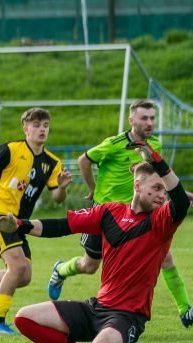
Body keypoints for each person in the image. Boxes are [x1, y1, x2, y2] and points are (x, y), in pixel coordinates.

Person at [0, 141, 189, 343]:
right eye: (157, 188)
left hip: (127, 317)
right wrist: (18, 223)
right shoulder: (109, 212)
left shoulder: (161, 222)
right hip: (96, 308)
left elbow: (181, 201)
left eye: (164, 189)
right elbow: (62, 226)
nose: (163, 194)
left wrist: (157, 159)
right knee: (24, 318)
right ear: (137, 186)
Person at [48, 99, 193, 327]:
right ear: (131, 120)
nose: (149, 123)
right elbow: (83, 160)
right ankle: (61, 269)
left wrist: (177, 193)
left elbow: (154, 176)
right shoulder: (114, 144)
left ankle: (185, 309)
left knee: (165, 256)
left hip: (137, 214)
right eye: (144, 118)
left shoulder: (154, 144)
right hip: (106, 215)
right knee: (90, 265)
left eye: (152, 118)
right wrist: (92, 189)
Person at [0, 107, 72, 334]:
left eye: (45, 125)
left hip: (18, 223)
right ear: (25, 128)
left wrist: (63, 189)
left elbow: (57, 198)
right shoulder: (10, 149)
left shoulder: (52, 162)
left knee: (24, 276)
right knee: (17, 266)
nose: (42, 130)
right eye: (36, 125)